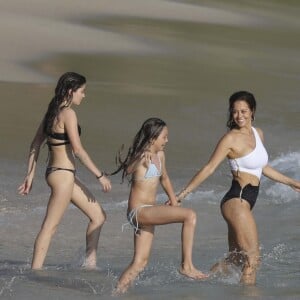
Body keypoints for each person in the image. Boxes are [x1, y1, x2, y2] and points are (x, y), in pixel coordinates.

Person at [176, 91, 300, 285]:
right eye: (234, 112)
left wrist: (292, 182)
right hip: (236, 202)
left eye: (243, 111)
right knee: (253, 259)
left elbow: (262, 167)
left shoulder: (258, 134)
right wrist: (182, 194)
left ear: (252, 111)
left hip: (245, 203)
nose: (239, 116)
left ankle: (201, 284)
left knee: (235, 260)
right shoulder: (230, 139)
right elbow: (209, 168)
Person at [18, 72, 112, 270]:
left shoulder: (52, 112)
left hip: (57, 172)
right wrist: (100, 175)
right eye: (82, 91)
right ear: (71, 91)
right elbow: (78, 150)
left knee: (98, 215)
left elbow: (35, 143)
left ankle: (90, 264)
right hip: (63, 175)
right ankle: (34, 271)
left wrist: (31, 174)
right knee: (49, 227)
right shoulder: (68, 114)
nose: (83, 96)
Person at [111, 117, 208, 294]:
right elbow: (128, 169)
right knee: (190, 215)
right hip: (139, 211)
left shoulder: (160, 156)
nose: (167, 140)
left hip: (148, 212)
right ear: (152, 138)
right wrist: (141, 155)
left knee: (140, 262)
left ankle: (117, 293)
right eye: (164, 137)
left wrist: (173, 199)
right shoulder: (141, 156)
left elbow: (164, 178)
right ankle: (187, 266)